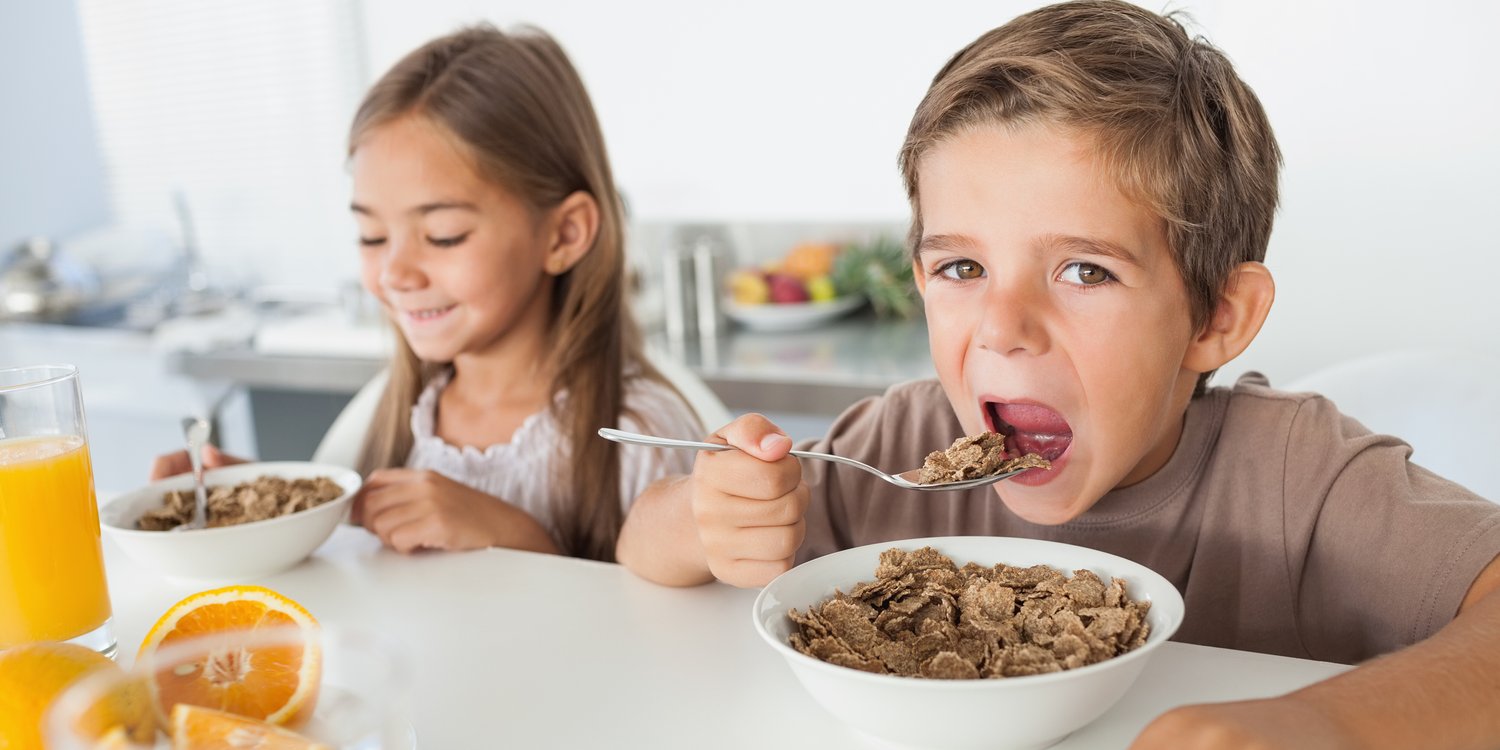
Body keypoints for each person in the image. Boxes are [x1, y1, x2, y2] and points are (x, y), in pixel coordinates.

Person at [614, 2, 1500, 746]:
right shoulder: (896, 445)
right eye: (962, 269)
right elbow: (645, 551)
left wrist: (1325, 726)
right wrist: (703, 518)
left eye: (1085, 271)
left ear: (1215, 316)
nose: (1003, 329)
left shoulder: (1296, 478)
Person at [152, 25, 702, 561]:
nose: (394, 273)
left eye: (443, 236)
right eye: (372, 236)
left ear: (563, 234)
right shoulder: (404, 414)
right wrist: (266, 501)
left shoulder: (641, 438)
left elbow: (663, 639)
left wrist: (513, 535)